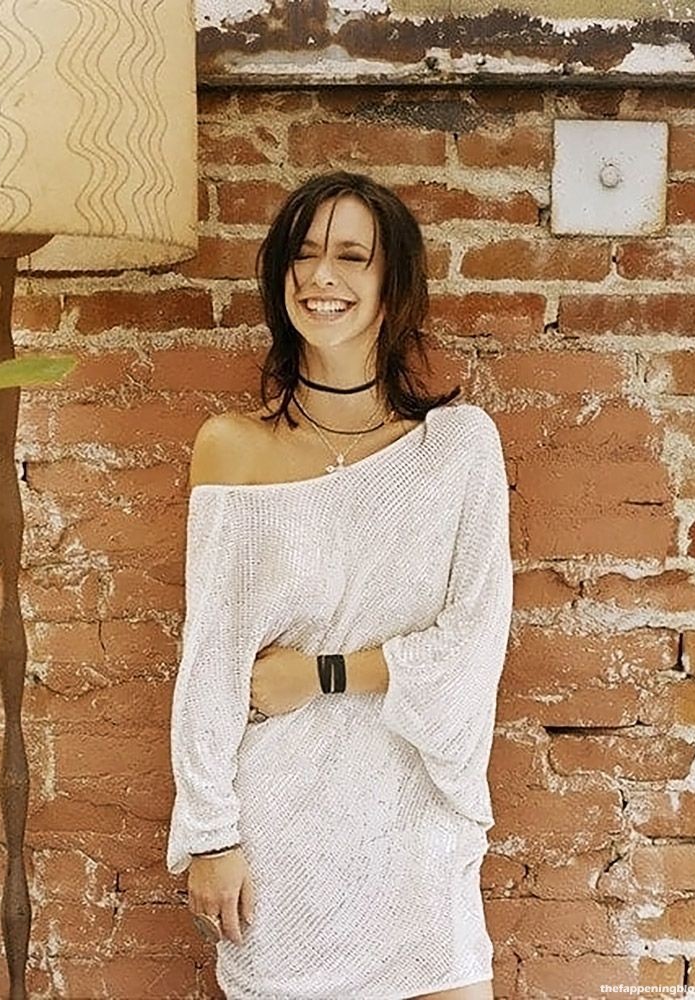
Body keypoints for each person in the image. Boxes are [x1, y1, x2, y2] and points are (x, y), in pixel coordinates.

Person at [166, 170, 514, 1000]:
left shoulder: (457, 448)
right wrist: (211, 835)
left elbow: (474, 642)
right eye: (304, 254)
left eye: (353, 256)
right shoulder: (232, 448)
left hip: (416, 820)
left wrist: (322, 674)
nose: (322, 276)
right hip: (282, 832)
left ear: (394, 287)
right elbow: (211, 660)